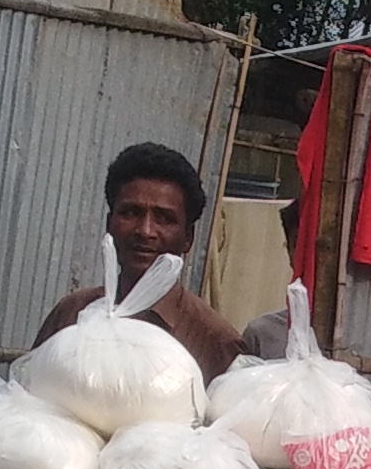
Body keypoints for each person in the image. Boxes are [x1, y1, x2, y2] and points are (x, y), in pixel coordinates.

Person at [35, 142, 244, 383]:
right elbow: (23, 397)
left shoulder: (216, 342)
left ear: (188, 237)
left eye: (164, 218)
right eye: (131, 213)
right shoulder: (72, 314)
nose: (145, 231)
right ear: (109, 224)